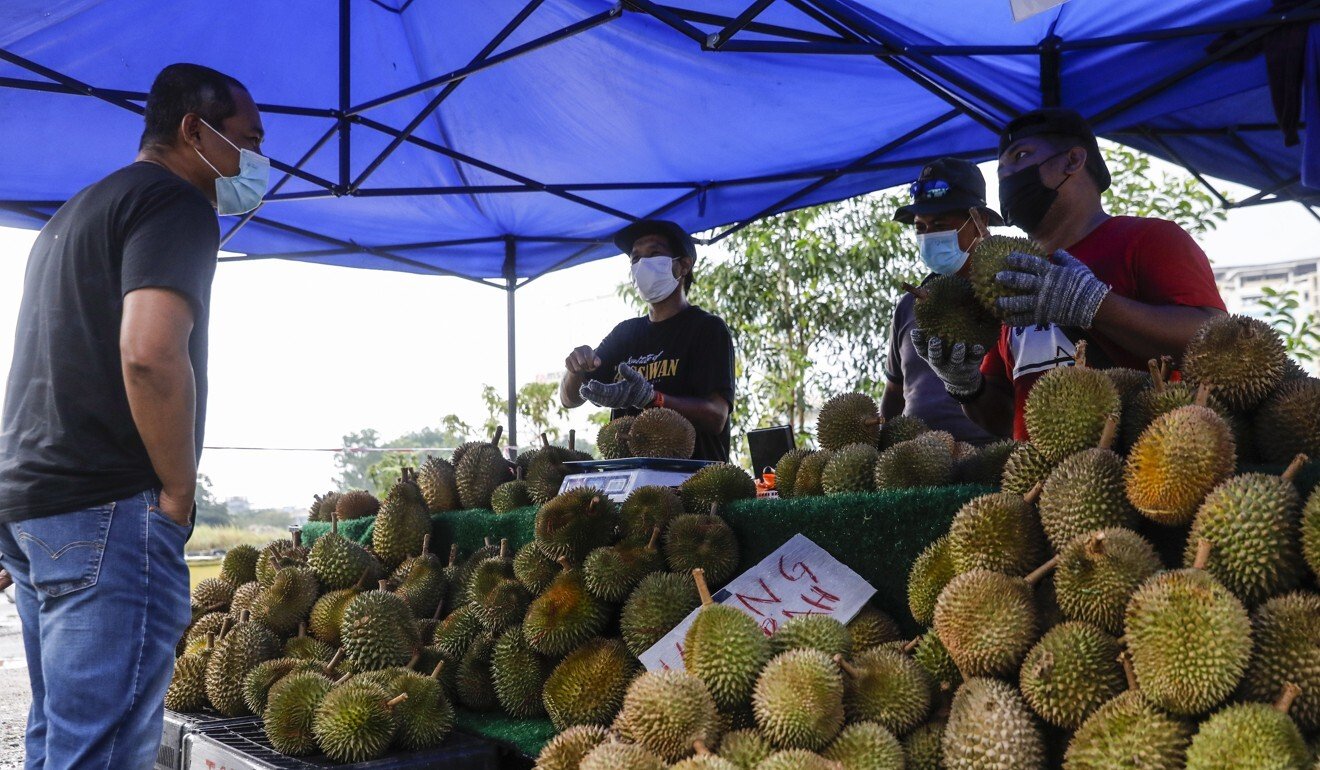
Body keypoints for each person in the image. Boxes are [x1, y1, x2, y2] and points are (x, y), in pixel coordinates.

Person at [0, 63, 266, 770]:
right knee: (104, 753)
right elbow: (149, 353)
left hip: (37, 503)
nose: (256, 160)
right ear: (193, 130)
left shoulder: (73, 214)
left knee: (60, 738)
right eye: (247, 138)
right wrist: (178, 491)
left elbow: (35, 366)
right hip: (108, 506)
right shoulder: (176, 202)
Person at [914, 108, 1226, 440]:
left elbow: (1220, 345)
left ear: (1073, 160)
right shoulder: (1009, 275)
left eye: (1021, 156)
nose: (1007, 177)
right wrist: (966, 387)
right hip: (1045, 486)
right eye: (1001, 170)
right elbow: (1009, 418)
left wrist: (1096, 305)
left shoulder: (1150, 239)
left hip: (1144, 468)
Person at [560, 220, 735, 462]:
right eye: (635, 258)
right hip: (632, 486)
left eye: (654, 254)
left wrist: (652, 398)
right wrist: (575, 369)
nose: (642, 265)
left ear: (683, 265)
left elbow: (717, 417)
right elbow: (569, 399)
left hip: (692, 484)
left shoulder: (707, 329)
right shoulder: (624, 334)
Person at [883, 158, 1004, 445]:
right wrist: (882, 445)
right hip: (916, 465)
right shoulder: (909, 306)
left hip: (991, 463)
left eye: (939, 225)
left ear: (979, 222)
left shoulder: (1010, 297)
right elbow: (894, 394)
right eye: (921, 228)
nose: (929, 237)